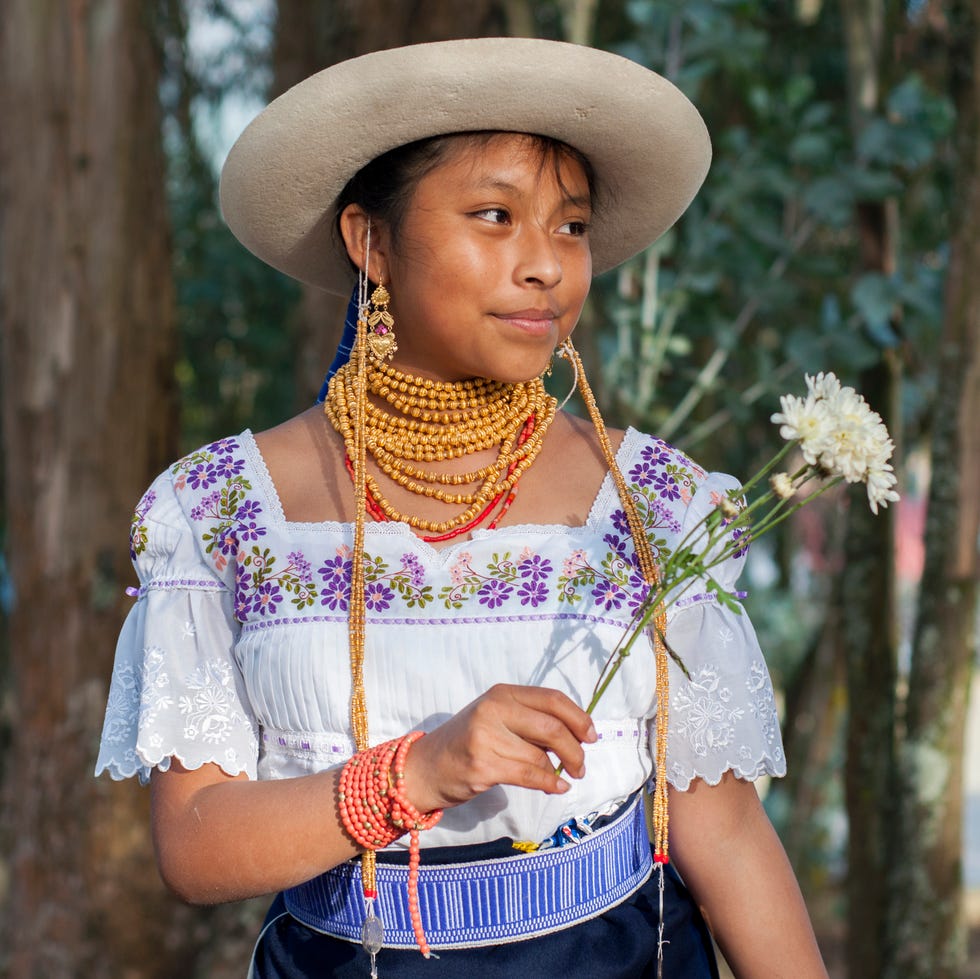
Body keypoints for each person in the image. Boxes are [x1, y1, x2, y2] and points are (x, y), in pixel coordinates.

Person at [96, 38, 828, 978]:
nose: (546, 267)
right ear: (371, 242)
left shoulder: (654, 505)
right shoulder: (219, 513)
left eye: (569, 227)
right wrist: (418, 771)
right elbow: (195, 845)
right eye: (495, 215)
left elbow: (721, 826)